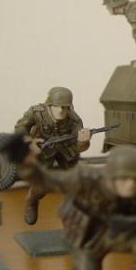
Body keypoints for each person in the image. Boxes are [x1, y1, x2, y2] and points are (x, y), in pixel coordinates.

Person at [14, 86, 91, 225]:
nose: (61, 110)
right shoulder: (37, 113)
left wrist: (83, 142)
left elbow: (79, 147)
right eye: (57, 106)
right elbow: (20, 128)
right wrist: (29, 143)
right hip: (42, 150)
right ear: (49, 105)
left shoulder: (74, 120)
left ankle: (72, 214)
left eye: (65, 107)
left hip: (65, 151)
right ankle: (32, 200)